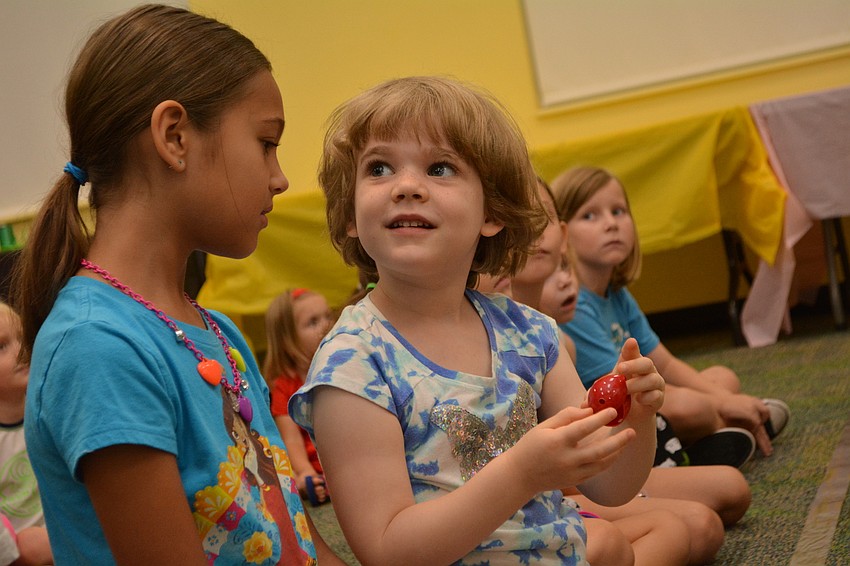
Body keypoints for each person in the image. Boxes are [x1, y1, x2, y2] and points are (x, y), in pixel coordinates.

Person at [289, 75, 670, 565]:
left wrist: (638, 418)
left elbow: (609, 485)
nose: (406, 187)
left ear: (492, 213)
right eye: (379, 168)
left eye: (440, 168)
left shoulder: (530, 333)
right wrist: (522, 473)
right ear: (350, 213)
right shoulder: (352, 362)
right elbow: (387, 550)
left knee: (618, 548)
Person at [11, 5, 342, 564]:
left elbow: (302, 541)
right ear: (174, 137)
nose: (280, 178)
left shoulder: (219, 332)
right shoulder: (98, 346)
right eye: (266, 143)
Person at [513, 181, 737, 565]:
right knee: (693, 526)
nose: (531, 228)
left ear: (561, 236)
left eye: (542, 217)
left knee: (718, 504)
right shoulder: (544, 331)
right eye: (515, 217)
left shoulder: (549, 335)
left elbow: (598, 462)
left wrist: (642, 413)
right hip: (543, 503)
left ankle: (679, 453)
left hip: (576, 489)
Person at [550, 165, 790, 459]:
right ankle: (728, 429)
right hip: (614, 417)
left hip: (643, 397)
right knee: (694, 407)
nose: (611, 223)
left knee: (723, 378)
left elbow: (665, 364)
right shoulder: (573, 308)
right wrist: (723, 404)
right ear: (562, 235)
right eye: (589, 216)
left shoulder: (617, 293)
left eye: (618, 211)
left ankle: (715, 434)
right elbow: (625, 393)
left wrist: (724, 398)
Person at [264, 289, 334, 506]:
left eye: (328, 315)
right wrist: (306, 472)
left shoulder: (341, 365)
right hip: (318, 467)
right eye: (313, 322)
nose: (326, 325)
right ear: (287, 340)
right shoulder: (285, 386)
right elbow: (291, 439)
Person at [0, 303, 53, 566]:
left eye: (23, 337)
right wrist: (16, 553)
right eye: (1, 346)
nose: (22, 351)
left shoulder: (50, 407)